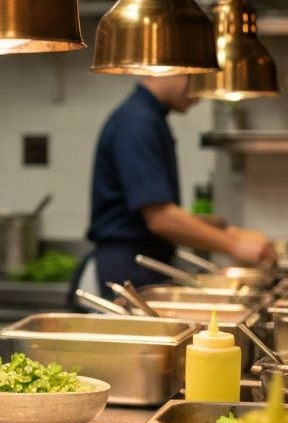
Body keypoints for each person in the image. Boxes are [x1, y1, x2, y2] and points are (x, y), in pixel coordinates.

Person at [85, 74, 274, 296]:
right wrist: (235, 245)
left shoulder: (147, 117)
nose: (200, 93)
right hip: (129, 267)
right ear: (169, 68)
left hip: (140, 261)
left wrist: (221, 228)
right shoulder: (137, 122)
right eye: (194, 77)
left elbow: (149, 213)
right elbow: (161, 219)